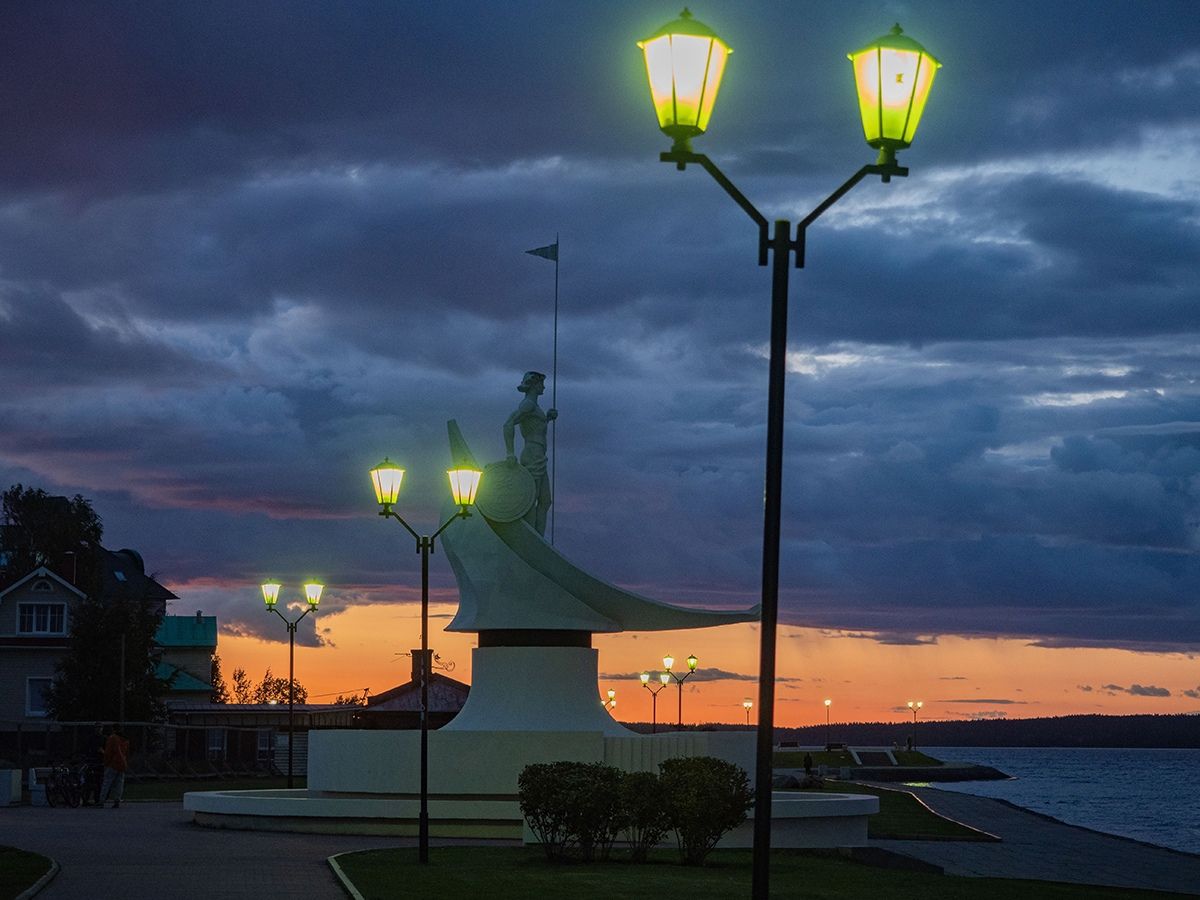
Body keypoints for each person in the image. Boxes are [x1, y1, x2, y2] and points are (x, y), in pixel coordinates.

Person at [502, 370, 557, 536]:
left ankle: (538, 537)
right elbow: (508, 424)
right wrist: (510, 453)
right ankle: (531, 535)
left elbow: (534, 426)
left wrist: (547, 418)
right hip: (532, 453)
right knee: (531, 499)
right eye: (541, 383)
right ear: (534, 385)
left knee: (545, 500)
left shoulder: (534, 407)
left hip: (539, 454)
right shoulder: (528, 404)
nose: (544, 387)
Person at [98, 724, 130, 809]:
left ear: (113, 729)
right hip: (122, 764)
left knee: (107, 783)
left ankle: (101, 801)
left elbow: (108, 752)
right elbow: (126, 753)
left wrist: (106, 761)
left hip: (112, 763)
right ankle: (117, 800)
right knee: (119, 784)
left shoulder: (112, 738)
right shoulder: (125, 740)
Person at [82, 723, 105, 806]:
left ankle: (97, 799)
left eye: (100, 727)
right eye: (97, 727)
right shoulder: (90, 738)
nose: (98, 729)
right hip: (91, 761)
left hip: (100, 762)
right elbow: (86, 748)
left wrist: (103, 752)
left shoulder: (104, 738)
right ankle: (86, 799)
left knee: (99, 782)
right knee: (89, 781)